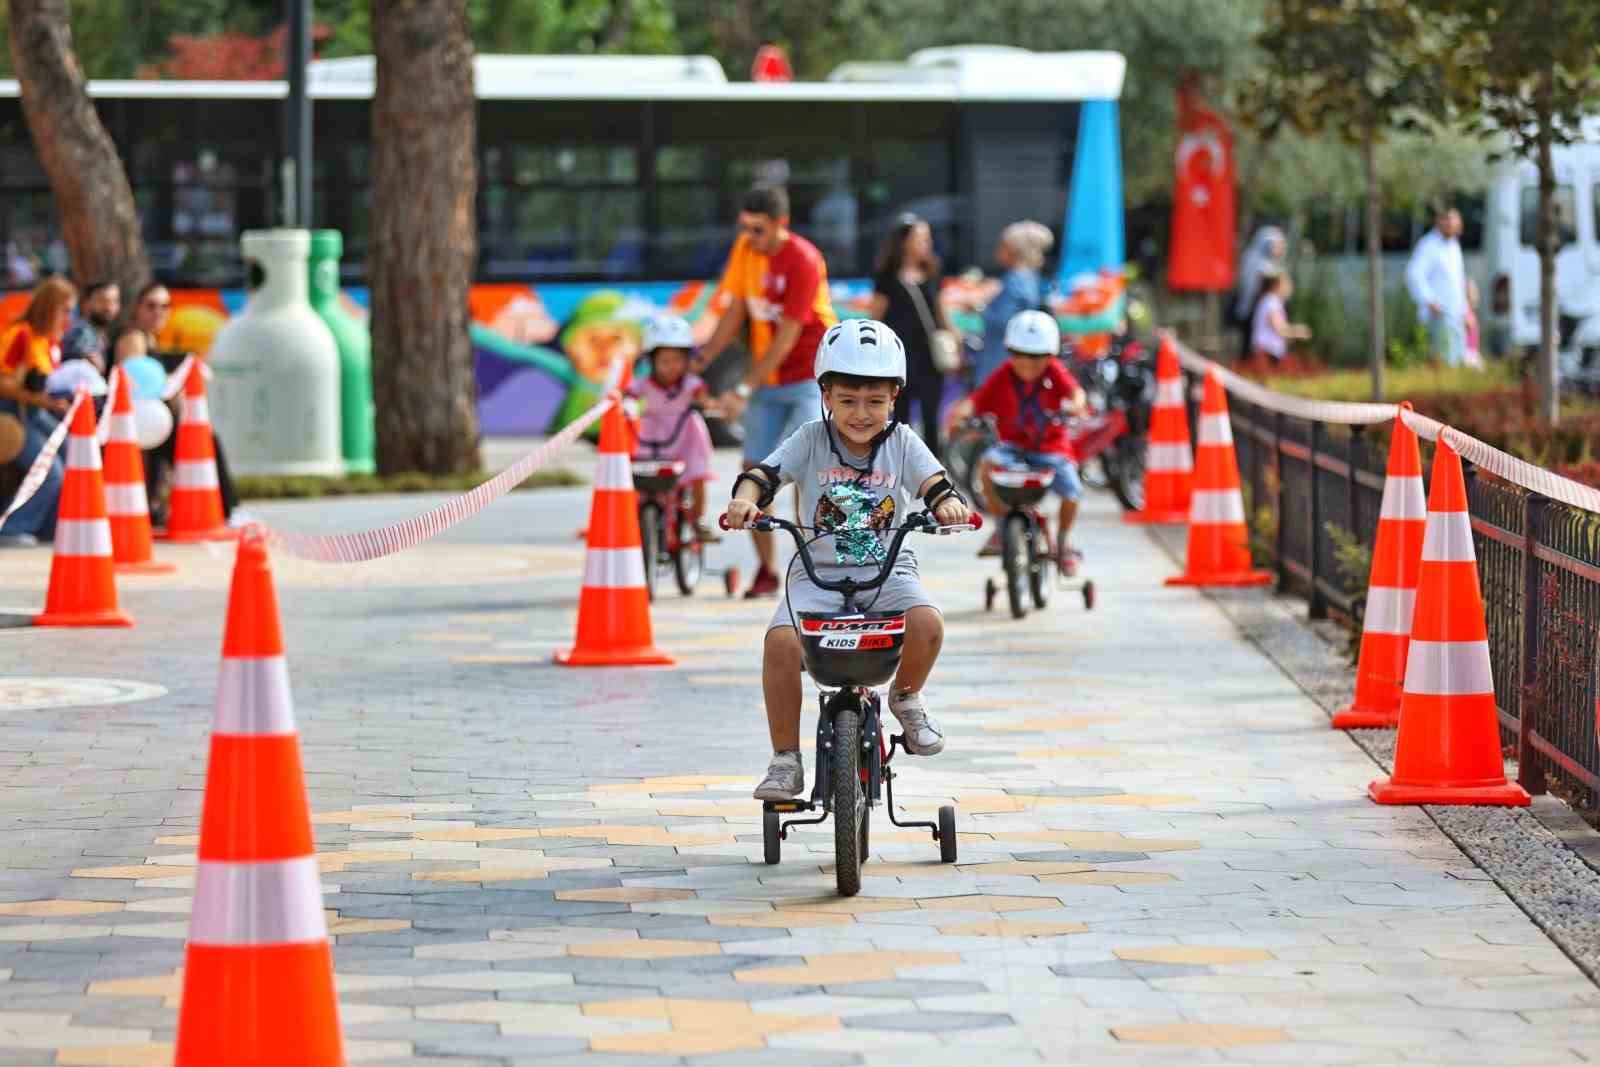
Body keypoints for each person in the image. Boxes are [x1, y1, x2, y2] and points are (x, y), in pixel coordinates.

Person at [723, 319, 970, 799]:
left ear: (893, 399)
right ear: (826, 394)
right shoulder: (811, 439)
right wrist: (744, 500)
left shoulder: (902, 442)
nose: (861, 413)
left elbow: (936, 483)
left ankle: (906, 697)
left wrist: (946, 505)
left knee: (928, 623)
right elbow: (763, 475)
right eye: (848, 400)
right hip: (816, 573)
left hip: (887, 570)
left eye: (875, 402)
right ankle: (784, 760)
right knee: (779, 645)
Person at [694, 184, 838, 599]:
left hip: (808, 379)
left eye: (758, 230)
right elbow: (735, 310)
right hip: (768, 383)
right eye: (745, 228)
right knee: (755, 475)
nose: (750, 237)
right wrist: (700, 360)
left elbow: (787, 337)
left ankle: (815, 570)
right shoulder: (746, 250)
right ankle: (767, 570)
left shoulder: (804, 260)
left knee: (809, 474)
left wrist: (741, 386)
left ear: (781, 224)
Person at [945, 310, 1089, 570]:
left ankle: (1064, 539)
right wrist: (959, 416)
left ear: (1050, 356)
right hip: (1012, 446)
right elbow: (976, 400)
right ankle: (1001, 527)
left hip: (1051, 447)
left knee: (1072, 489)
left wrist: (1076, 406)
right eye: (1021, 356)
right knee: (985, 468)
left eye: (1037, 359)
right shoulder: (1003, 374)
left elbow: (1075, 392)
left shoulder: (1054, 372)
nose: (1028, 365)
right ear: (1011, 352)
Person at [112, 282, 243, 527]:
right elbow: (133, 380)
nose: (158, 312)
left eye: (164, 306)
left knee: (203, 446)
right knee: (206, 443)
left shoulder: (151, 340)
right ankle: (228, 510)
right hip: (143, 422)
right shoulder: (134, 338)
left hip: (155, 422)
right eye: (151, 306)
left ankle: (211, 509)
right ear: (137, 309)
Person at [629, 314, 723, 542]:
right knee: (642, 477)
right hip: (653, 433)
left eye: (678, 360)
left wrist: (712, 406)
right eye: (665, 361)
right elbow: (626, 395)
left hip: (687, 434)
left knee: (697, 475)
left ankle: (699, 519)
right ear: (652, 361)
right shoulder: (643, 384)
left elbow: (705, 399)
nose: (672, 367)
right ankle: (637, 522)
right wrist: (618, 404)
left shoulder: (691, 384)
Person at [870, 212, 955, 453]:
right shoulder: (887, 277)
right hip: (900, 357)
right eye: (921, 239)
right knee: (902, 415)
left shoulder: (930, 272)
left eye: (927, 239)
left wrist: (954, 337)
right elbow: (876, 316)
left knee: (931, 415)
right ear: (904, 242)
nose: (926, 245)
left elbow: (939, 310)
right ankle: (903, 464)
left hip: (930, 356)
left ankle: (934, 469)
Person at [0, 278, 76, 545]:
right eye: (64, 311)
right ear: (49, 308)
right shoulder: (21, 334)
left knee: (74, 452)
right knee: (49, 470)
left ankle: (50, 527)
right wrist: (39, 397)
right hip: (12, 413)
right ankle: (12, 528)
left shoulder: (46, 340)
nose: (68, 318)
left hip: (33, 411)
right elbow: (3, 381)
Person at [970, 221, 1054, 384]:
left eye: (1003, 246)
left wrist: (979, 308)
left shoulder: (1017, 280)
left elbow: (1002, 320)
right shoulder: (1029, 278)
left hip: (1000, 359)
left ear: (1015, 250)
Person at [1405, 207, 1467, 367]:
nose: (1451, 223)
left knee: (1456, 364)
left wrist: (1465, 311)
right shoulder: (1429, 245)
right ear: (1438, 221)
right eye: (1447, 219)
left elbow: (1457, 282)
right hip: (1438, 316)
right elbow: (1414, 273)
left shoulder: (1453, 245)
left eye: (1454, 219)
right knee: (1441, 365)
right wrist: (1428, 300)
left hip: (1455, 316)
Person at [1243, 271, 1312, 376]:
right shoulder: (1271, 301)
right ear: (1277, 285)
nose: (1289, 288)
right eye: (1287, 284)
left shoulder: (1270, 301)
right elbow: (1279, 329)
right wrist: (1298, 333)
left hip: (1268, 354)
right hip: (1266, 354)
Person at [1233, 225, 1287, 345]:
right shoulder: (1257, 263)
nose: (1281, 248)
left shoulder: (1271, 264)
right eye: (1278, 244)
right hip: (1253, 312)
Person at [60, 280, 120, 374]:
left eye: (114, 301)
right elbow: (96, 365)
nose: (109, 307)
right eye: (102, 300)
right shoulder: (81, 331)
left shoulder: (98, 333)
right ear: (86, 304)